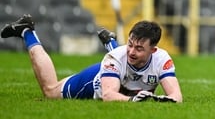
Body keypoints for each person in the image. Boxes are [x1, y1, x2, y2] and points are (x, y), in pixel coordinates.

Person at [0, 14, 183, 102]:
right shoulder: (117, 57)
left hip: (121, 74)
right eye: (130, 44)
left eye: (139, 48)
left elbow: (176, 96)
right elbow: (108, 95)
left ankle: (110, 40)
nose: (132, 51)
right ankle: (27, 31)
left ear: (153, 50)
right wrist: (132, 100)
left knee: (124, 59)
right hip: (95, 80)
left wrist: (164, 100)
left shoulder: (162, 59)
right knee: (50, 91)